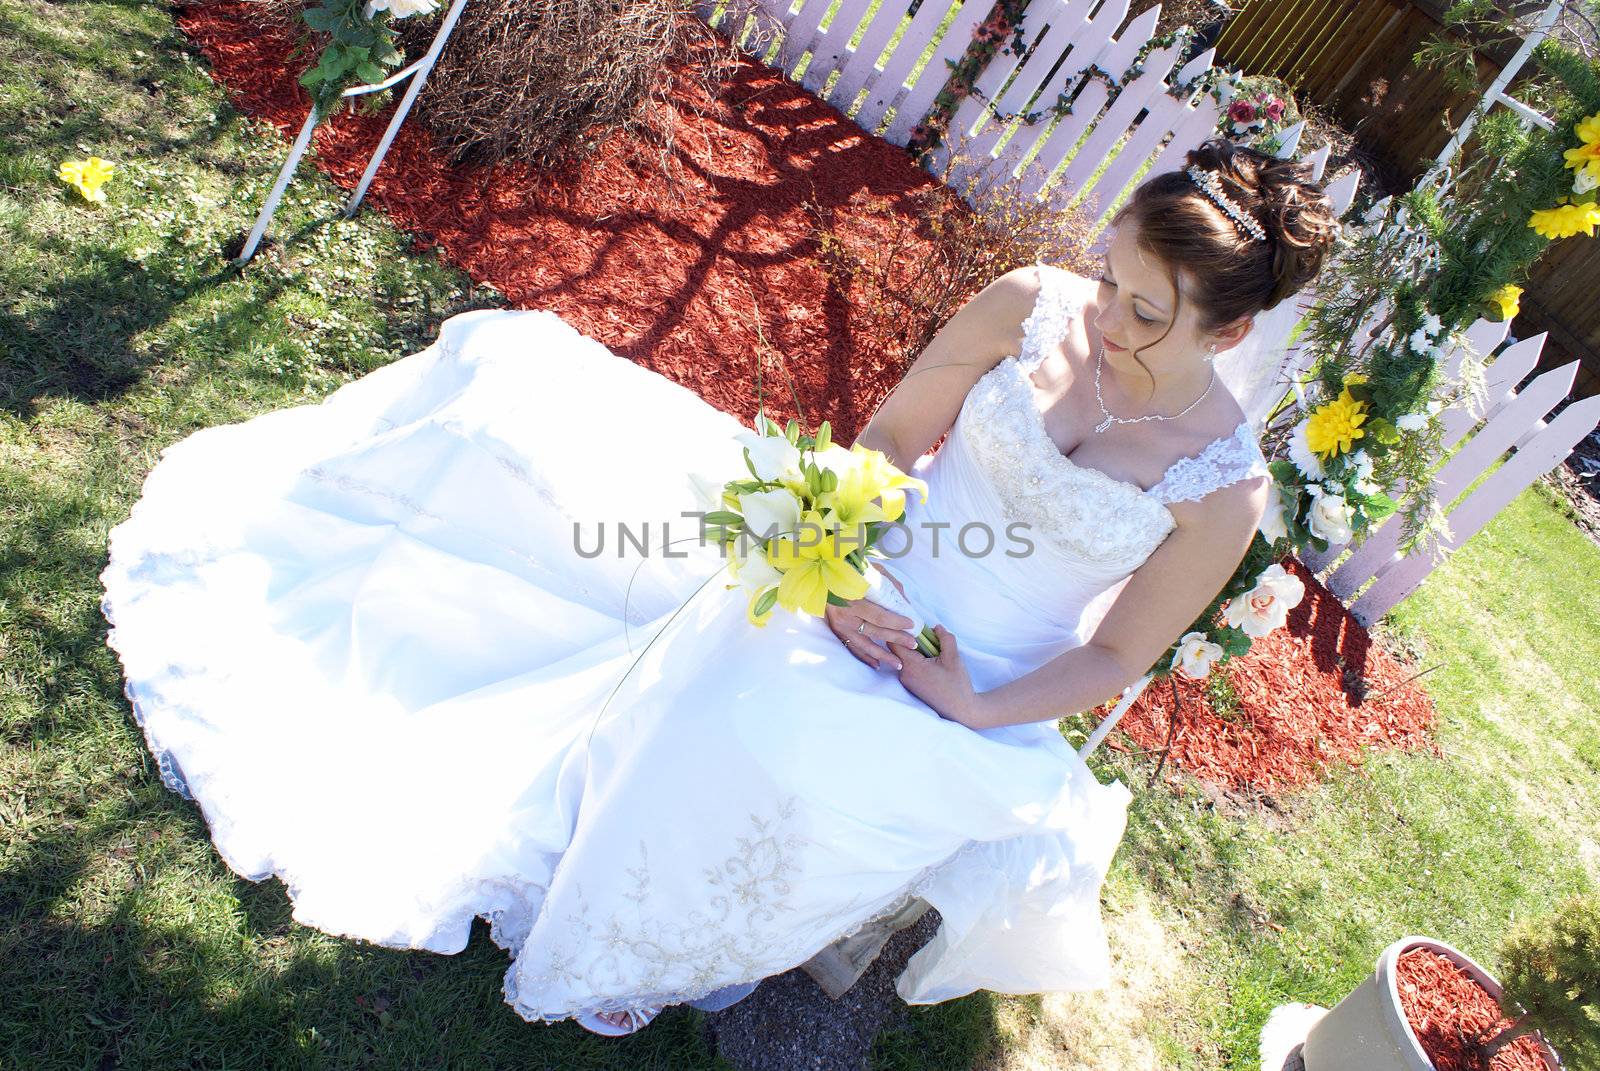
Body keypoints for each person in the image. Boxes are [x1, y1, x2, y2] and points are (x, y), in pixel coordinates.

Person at [97, 138, 1339, 1037]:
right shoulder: (1028, 307)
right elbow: (895, 438)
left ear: (1226, 336)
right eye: (1111, 271)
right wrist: (839, 564)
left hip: (987, 682)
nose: (1106, 313)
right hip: (858, 559)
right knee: (580, 469)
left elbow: (1114, 662)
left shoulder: (1217, 493)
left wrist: (966, 706)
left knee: (793, 742)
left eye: (1145, 311)